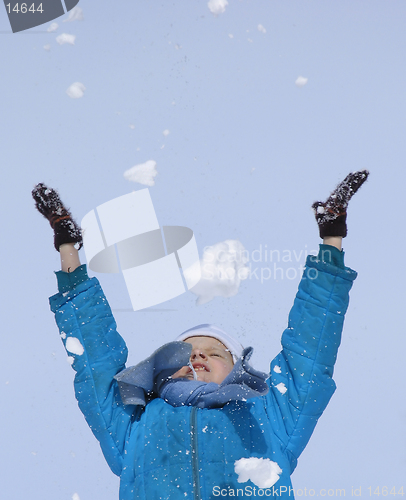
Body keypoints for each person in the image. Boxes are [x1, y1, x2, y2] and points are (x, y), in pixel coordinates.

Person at [32, 171, 368, 500]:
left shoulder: (269, 416)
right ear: (162, 373)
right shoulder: (134, 424)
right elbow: (95, 359)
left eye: (215, 353)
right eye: (185, 354)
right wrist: (68, 248)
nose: (198, 357)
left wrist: (331, 242)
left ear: (238, 371)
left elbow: (309, 351)